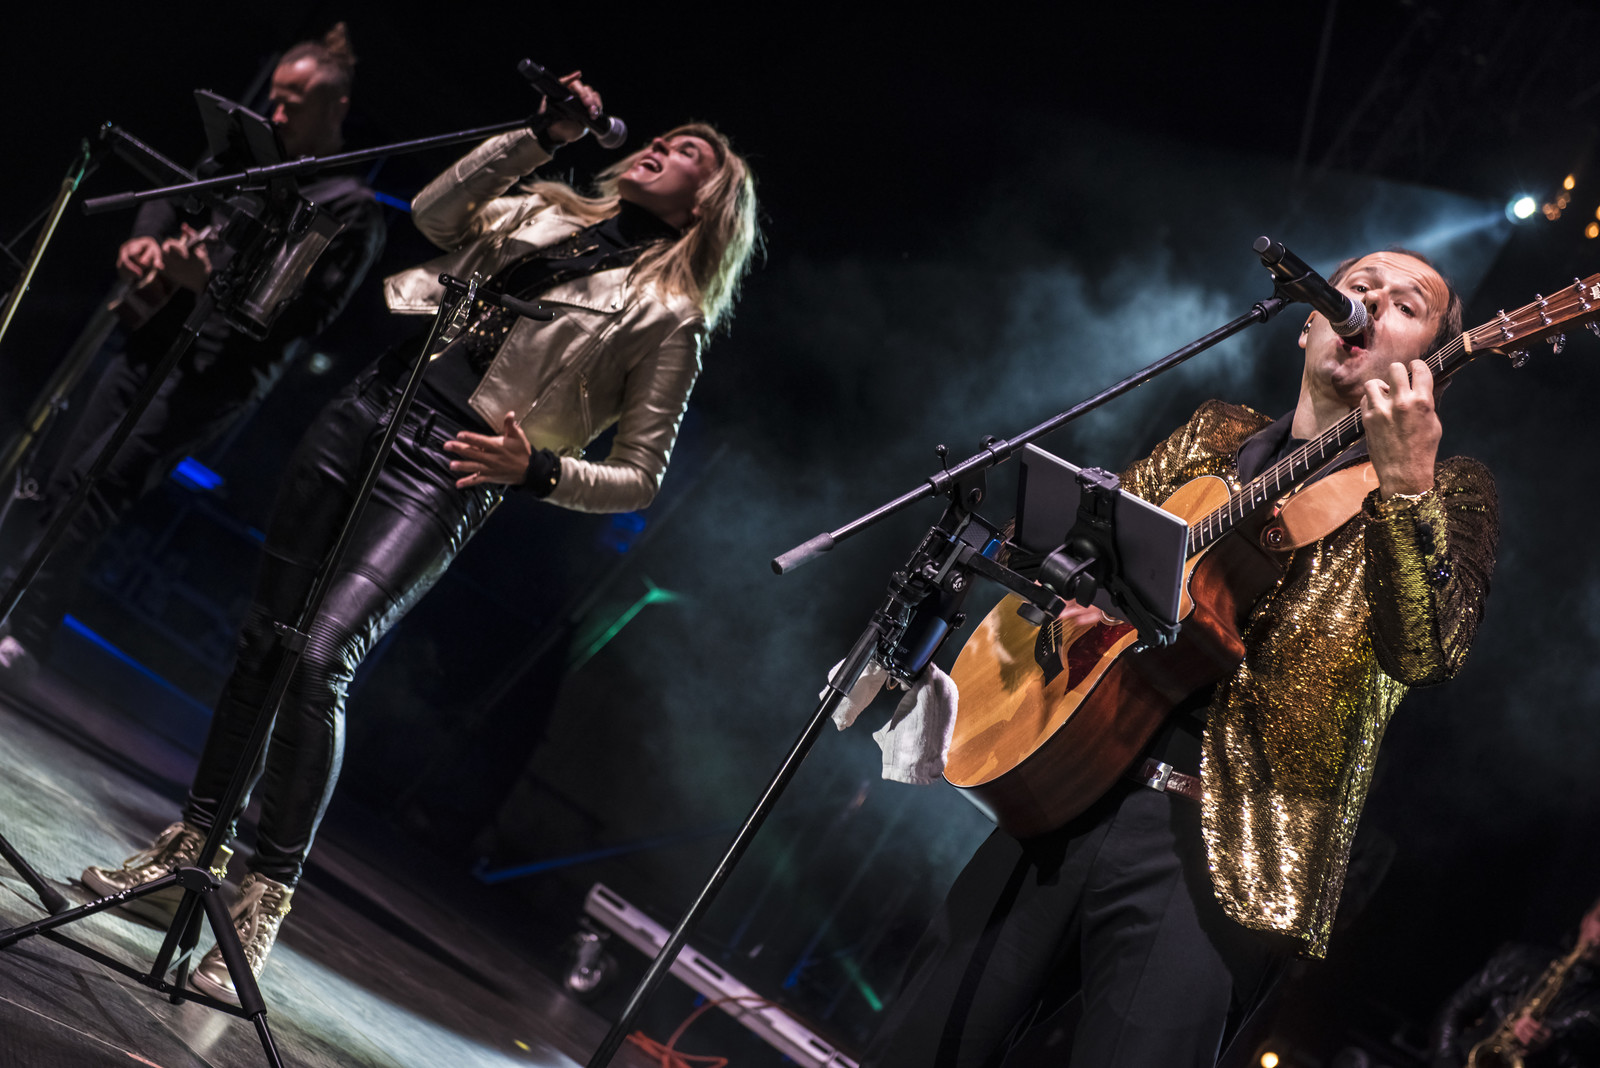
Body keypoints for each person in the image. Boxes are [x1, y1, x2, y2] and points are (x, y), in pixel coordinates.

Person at [80, 72, 760, 1005]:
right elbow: (438, 217)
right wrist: (537, 137)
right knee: (264, 639)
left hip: (448, 470)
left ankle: (262, 898)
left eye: (688, 154)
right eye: (664, 135)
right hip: (369, 410)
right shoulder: (549, 209)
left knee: (320, 657)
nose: (661, 147)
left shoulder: (670, 317)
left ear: (709, 205)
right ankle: (189, 850)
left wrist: (539, 471)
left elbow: (641, 474)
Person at [867, 250, 1498, 1066]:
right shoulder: (1216, 431)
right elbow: (1078, 553)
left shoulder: (1449, 493)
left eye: (1405, 305)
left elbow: (1429, 652)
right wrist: (1071, 597)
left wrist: (1405, 487)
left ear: (1430, 367)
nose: (1370, 305)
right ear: (1309, 320)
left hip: (1219, 849)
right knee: (917, 1043)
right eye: (1357, 288)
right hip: (1066, 780)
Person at [0, 23, 385, 676]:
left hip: (214, 374)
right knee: (65, 478)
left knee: (96, 488)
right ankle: (27, 625)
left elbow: (300, 318)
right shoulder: (250, 157)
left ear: (335, 108)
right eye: (275, 97)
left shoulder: (349, 209)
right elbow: (177, 192)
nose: (276, 112)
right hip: (151, 333)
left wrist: (208, 283)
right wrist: (146, 240)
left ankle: (24, 630)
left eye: (294, 104)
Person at [1432, 897, 1600, 1068]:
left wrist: (1550, 1049)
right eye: (1599, 919)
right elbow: (1455, 1008)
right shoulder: (1520, 957)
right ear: (1586, 920)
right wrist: (1446, 1061)